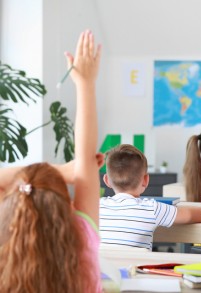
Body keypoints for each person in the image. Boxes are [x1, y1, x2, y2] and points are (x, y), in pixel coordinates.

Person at [0, 30, 102, 292]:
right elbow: (86, 156)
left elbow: (85, 161)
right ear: (67, 204)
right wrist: (85, 84)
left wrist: (62, 171)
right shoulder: (83, 238)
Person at [99, 144, 201, 250]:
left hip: (102, 269)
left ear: (107, 180)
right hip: (135, 269)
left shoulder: (96, 207)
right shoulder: (152, 208)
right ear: (146, 180)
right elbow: (193, 215)